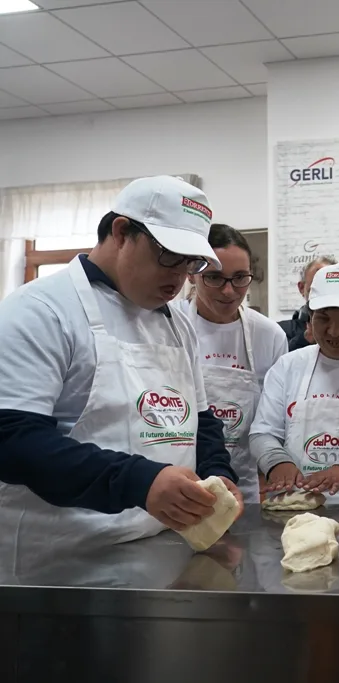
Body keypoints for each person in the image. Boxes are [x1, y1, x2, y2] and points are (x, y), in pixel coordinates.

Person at [0, 175, 242, 553]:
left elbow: (202, 421)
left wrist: (217, 474)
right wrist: (139, 482)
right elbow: (13, 441)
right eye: (168, 256)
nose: (178, 276)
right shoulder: (40, 311)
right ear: (121, 231)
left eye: (191, 263)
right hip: (61, 559)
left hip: (162, 545)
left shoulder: (177, 324)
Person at [250, 263, 339, 503]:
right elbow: (263, 433)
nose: (335, 331)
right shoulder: (287, 367)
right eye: (323, 319)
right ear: (309, 316)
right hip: (295, 507)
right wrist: (278, 462)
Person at [171, 223, 288, 503]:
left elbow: (275, 420)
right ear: (192, 274)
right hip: (178, 485)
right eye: (214, 277)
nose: (228, 291)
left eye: (240, 278)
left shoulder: (268, 335)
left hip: (245, 490)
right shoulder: (169, 325)